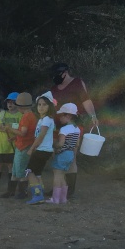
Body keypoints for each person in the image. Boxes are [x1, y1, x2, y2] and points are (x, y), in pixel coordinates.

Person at [50, 62, 98, 199]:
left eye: (57, 74)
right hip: (57, 125)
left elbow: (86, 100)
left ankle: (69, 189)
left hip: (73, 124)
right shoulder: (54, 88)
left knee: (71, 156)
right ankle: (58, 187)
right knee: (57, 156)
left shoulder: (77, 83)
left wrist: (93, 116)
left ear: (65, 73)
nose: (54, 77)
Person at [25, 92, 57, 205]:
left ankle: (37, 195)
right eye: (39, 104)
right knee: (37, 172)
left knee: (29, 171)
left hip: (42, 150)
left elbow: (41, 136)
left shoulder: (47, 119)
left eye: (44, 104)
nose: (41, 107)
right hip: (44, 150)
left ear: (49, 106)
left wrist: (32, 148)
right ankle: (40, 192)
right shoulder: (42, 119)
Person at [3, 92, 36, 200]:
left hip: (23, 146)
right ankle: (11, 191)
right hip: (23, 145)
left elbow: (23, 133)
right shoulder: (31, 115)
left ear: (21, 107)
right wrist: (14, 138)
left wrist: (9, 129)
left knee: (21, 170)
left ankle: (22, 192)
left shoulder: (26, 117)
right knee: (16, 169)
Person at [47, 103, 81, 204]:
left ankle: (55, 198)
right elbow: (77, 144)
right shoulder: (77, 129)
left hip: (62, 154)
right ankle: (63, 198)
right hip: (70, 154)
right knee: (62, 175)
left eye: (62, 115)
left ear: (68, 116)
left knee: (57, 175)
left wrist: (54, 144)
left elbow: (61, 144)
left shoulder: (64, 129)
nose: (60, 118)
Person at [0, 92, 22, 195]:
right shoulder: (2, 114)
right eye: (8, 102)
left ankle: (11, 187)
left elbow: (20, 130)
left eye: (13, 102)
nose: (10, 104)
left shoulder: (20, 115)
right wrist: (9, 127)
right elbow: (0, 127)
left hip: (13, 145)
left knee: (11, 165)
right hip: (1, 144)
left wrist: (9, 128)